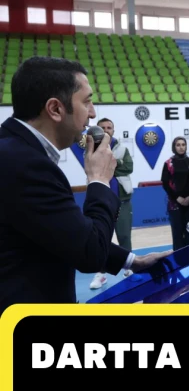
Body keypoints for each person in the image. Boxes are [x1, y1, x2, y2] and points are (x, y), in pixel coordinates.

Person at [0, 56, 168, 316]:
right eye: (87, 101)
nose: (93, 113)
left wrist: (132, 260)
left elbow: (61, 231)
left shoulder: (15, 151)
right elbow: (89, 252)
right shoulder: (24, 163)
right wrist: (99, 180)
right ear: (55, 109)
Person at [90, 117, 135, 289]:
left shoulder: (122, 148)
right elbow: (93, 169)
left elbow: (129, 167)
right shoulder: (91, 149)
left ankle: (129, 269)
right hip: (102, 201)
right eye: (102, 127)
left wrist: (108, 165)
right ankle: (101, 273)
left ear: (113, 130)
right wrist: (116, 163)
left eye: (109, 127)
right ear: (97, 130)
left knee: (124, 236)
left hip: (122, 200)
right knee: (101, 239)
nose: (106, 130)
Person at [161, 136, 189, 250]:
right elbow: (165, 183)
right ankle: (178, 259)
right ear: (174, 147)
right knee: (177, 233)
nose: (181, 147)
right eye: (178, 145)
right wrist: (177, 198)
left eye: (183, 145)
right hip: (175, 204)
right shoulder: (168, 163)